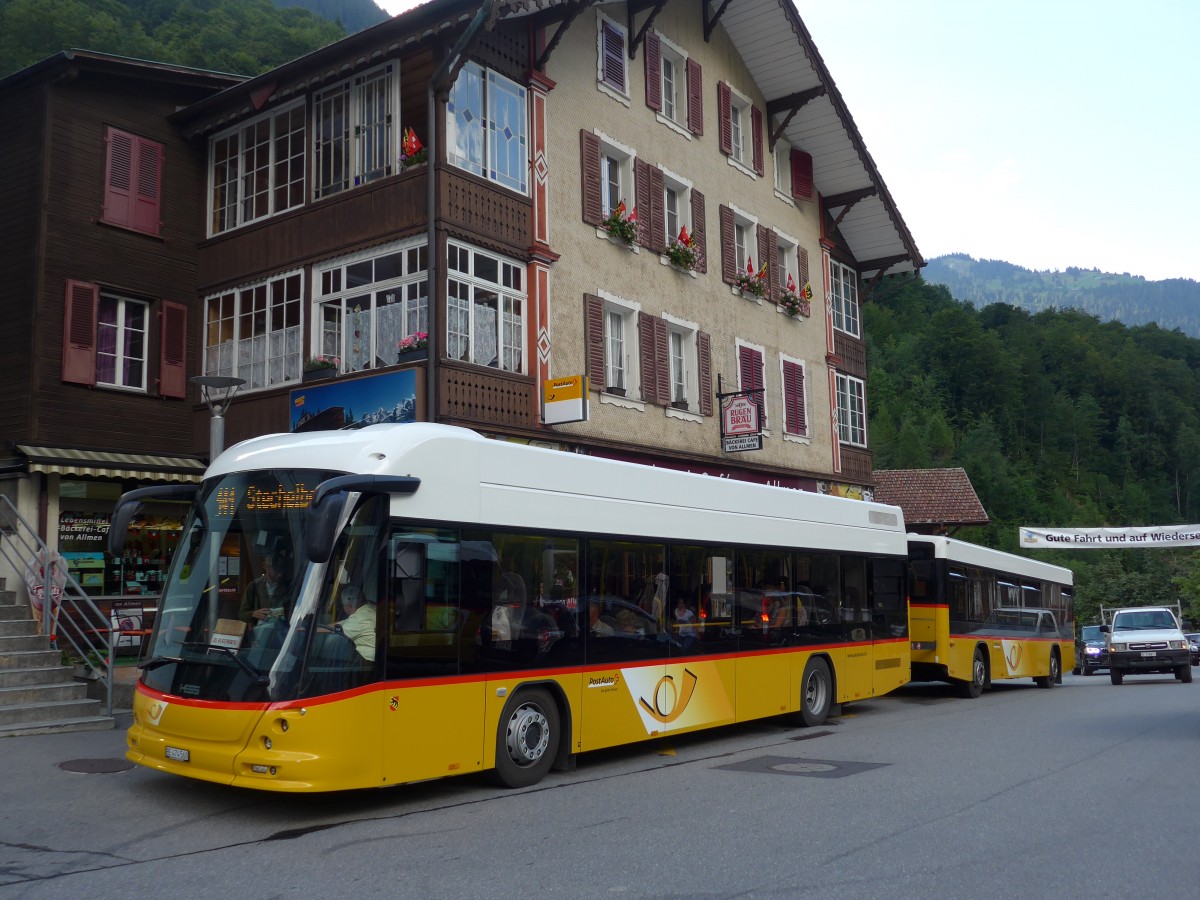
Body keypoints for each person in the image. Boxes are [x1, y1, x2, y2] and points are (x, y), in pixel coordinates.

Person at [239, 550, 290, 625]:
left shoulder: (288, 587)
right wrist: (253, 614)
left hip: (282, 630)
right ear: (267, 568)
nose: (280, 575)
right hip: (259, 630)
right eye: (276, 571)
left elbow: (293, 611)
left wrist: (277, 613)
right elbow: (242, 614)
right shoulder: (254, 586)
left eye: (281, 571)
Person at [336, 586, 377, 663]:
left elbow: (335, 636)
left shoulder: (358, 619)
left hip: (368, 664)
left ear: (349, 606)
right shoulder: (370, 608)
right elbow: (343, 623)